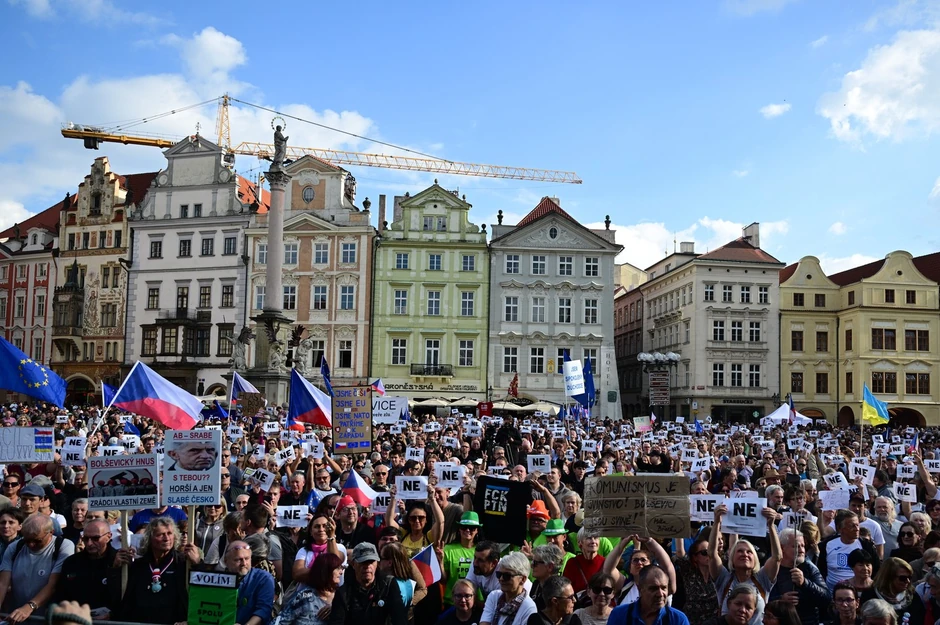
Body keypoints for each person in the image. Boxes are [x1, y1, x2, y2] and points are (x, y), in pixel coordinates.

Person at [114, 517, 198, 624]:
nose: (166, 538)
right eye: (160, 535)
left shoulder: (183, 563)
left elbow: (199, 593)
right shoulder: (139, 566)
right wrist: (116, 568)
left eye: (169, 533)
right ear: (150, 538)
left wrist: (197, 564)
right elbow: (119, 595)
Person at [708, 503, 781, 625]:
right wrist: (716, 523)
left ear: (755, 559)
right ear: (732, 558)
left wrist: (771, 526)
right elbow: (711, 554)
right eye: (740, 551)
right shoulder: (724, 578)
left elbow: (777, 557)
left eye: (749, 552)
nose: (745, 554)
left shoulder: (762, 578)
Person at [0, 514, 74, 623]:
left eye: (37, 540)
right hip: (16, 616)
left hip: (47, 618)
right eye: (27, 540)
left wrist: (29, 607)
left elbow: (53, 584)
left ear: (51, 532)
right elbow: (3, 583)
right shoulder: (14, 547)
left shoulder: (63, 546)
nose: (31, 545)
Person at [328, 542, 407, 625]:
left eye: (371, 562)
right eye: (363, 562)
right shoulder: (344, 592)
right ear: (353, 564)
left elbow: (400, 618)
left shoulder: (388, 584)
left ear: (377, 563)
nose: (367, 566)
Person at [767, 528, 830, 625]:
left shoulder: (810, 568)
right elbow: (760, 597)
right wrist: (780, 600)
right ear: (782, 548)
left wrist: (805, 583)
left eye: (803, 546)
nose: (801, 550)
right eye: (796, 546)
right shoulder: (771, 568)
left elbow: (826, 598)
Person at [56, 519, 117, 615]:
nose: (89, 543)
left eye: (95, 538)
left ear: (108, 537)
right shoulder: (71, 563)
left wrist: (113, 615)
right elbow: (61, 595)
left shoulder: (118, 562)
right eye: (85, 538)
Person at [604, 534, 676, 606]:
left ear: (651, 565)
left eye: (643, 560)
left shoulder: (661, 587)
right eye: (635, 560)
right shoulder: (624, 586)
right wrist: (622, 544)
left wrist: (650, 541)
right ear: (630, 568)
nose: (639, 563)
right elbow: (608, 569)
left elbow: (668, 566)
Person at [606, 565, 690, 625]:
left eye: (664, 588)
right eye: (653, 588)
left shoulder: (678, 619)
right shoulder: (620, 614)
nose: (660, 594)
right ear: (640, 589)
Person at [819, 511, 880, 591]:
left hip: (861, 592)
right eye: (852, 526)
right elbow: (820, 570)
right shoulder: (827, 545)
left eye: (857, 525)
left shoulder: (867, 546)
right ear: (839, 528)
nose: (857, 529)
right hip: (831, 593)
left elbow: (876, 569)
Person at [279, 552, 343, 625]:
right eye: (337, 568)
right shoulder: (304, 597)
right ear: (325, 571)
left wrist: (334, 609)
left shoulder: (341, 596)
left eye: (341, 568)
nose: (341, 572)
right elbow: (280, 621)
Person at [859, 557, 925, 624]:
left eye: (909, 577)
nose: (907, 581)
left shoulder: (912, 596)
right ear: (888, 577)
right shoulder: (869, 595)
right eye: (903, 578)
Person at [385, 484, 445, 558]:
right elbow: (389, 521)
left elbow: (440, 522)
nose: (417, 521)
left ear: (426, 520)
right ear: (408, 519)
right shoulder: (403, 534)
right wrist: (393, 498)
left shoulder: (429, 536)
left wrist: (432, 499)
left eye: (421, 518)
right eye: (413, 518)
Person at [225, 540, 275, 625]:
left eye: (247, 558)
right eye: (238, 560)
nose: (244, 563)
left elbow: (263, 610)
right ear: (226, 561)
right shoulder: (218, 579)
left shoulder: (263, 578)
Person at [480, 552, 538, 625]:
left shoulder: (528, 607)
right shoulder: (494, 596)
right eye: (499, 574)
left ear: (523, 579)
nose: (501, 579)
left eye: (507, 576)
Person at [672, 536, 719, 625]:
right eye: (705, 552)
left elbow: (732, 550)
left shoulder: (718, 572)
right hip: (692, 621)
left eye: (711, 551)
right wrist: (679, 529)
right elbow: (680, 552)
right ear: (695, 557)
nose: (709, 555)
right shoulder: (689, 571)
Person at [442, 511, 482, 606]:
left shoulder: (482, 551)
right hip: (453, 602)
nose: (467, 530)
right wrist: (440, 562)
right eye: (464, 527)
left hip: (477, 602)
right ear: (459, 529)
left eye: (472, 528)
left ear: (477, 530)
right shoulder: (448, 549)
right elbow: (443, 580)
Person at [379, 542, 428, 619]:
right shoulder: (379, 572)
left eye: (381, 558)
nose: (378, 561)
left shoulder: (409, 568)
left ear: (389, 563)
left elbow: (422, 589)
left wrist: (407, 603)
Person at [293, 513, 346, 582]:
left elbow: (334, 564)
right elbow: (297, 574)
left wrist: (331, 536)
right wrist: (323, 570)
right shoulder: (304, 550)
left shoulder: (340, 547)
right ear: (311, 532)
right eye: (317, 526)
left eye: (325, 526)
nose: (321, 529)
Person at [563, 529, 606, 595]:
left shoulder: (606, 562)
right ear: (580, 542)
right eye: (589, 538)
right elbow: (565, 589)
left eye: (596, 538)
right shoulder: (572, 563)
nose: (593, 541)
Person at [529, 545, 566, 610]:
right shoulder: (536, 584)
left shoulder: (559, 591)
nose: (531, 565)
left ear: (550, 567)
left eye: (535, 563)